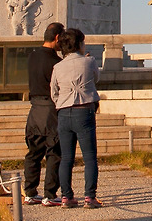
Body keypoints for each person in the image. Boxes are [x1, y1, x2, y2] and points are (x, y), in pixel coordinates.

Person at [50, 27, 100, 208]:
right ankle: (90, 196)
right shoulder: (89, 61)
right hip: (84, 110)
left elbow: (53, 92)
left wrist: (61, 102)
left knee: (67, 157)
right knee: (89, 157)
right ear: (79, 44)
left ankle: (66, 196)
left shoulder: (57, 67)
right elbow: (96, 79)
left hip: (63, 112)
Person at [23, 22, 64, 206]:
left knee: (33, 153)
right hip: (51, 110)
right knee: (54, 152)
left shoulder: (32, 56)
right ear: (57, 38)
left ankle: (30, 192)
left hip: (34, 109)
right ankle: (50, 194)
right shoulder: (57, 63)